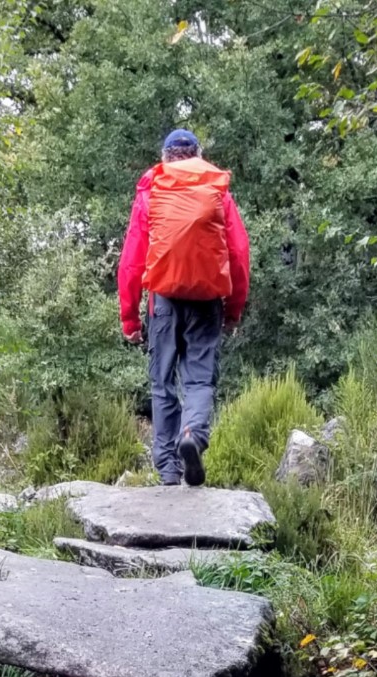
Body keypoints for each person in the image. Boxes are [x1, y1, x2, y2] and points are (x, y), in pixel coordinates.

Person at [118, 128, 251, 487]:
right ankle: (192, 434)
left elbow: (132, 259)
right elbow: (239, 253)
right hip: (207, 300)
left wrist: (130, 317)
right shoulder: (216, 191)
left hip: (162, 298)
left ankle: (168, 470)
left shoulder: (153, 190)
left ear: (165, 157)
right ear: (197, 155)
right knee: (199, 378)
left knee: (162, 383)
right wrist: (234, 308)